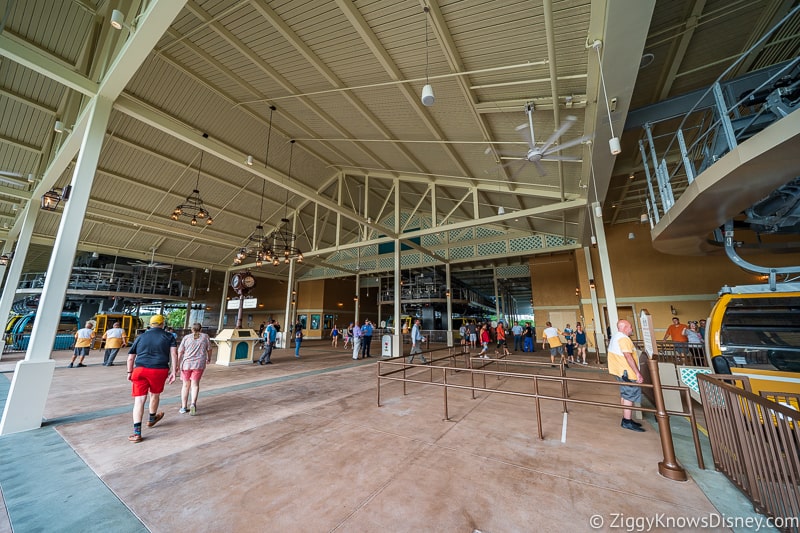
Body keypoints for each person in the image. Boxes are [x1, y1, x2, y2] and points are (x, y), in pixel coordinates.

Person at [126, 314, 177, 443]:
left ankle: (137, 433)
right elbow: (174, 354)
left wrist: (129, 371)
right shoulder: (169, 336)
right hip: (159, 370)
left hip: (140, 370)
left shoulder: (141, 336)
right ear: (162, 323)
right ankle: (151, 418)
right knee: (154, 395)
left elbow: (131, 357)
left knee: (139, 400)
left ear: (151, 324)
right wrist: (174, 371)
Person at [607, 319, 645, 432]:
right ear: (624, 328)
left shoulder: (615, 337)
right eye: (630, 327)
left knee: (625, 394)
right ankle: (627, 421)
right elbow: (628, 356)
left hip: (619, 371)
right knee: (629, 395)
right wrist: (638, 373)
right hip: (627, 373)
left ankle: (626, 418)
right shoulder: (623, 339)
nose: (632, 329)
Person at [177, 322, 212, 415]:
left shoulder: (186, 338)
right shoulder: (205, 337)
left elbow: (180, 352)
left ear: (191, 329)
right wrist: (209, 358)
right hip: (199, 364)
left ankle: (184, 407)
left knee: (185, 385)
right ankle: (193, 404)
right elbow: (209, 349)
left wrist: (177, 364)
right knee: (195, 385)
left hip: (186, 365)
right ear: (201, 329)